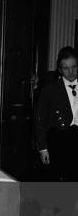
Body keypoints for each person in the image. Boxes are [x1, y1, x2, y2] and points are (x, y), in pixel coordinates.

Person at [35, 46, 78, 182]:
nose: (71, 72)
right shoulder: (50, 90)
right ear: (59, 69)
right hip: (59, 139)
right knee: (58, 182)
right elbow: (40, 121)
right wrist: (43, 148)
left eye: (74, 67)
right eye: (66, 68)